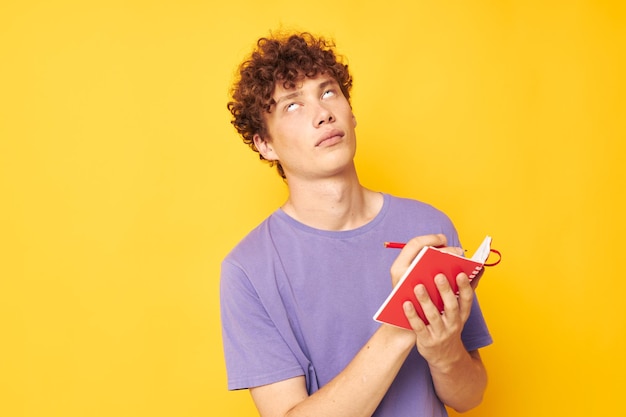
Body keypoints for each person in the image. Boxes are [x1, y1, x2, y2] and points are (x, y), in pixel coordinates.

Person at [220, 31, 492, 417]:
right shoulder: (247, 270)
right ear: (265, 144)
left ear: (350, 110)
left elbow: (470, 396)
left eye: (328, 92)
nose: (323, 113)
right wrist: (402, 321)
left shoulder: (429, 224)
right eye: (293, 106)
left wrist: (443, 350)